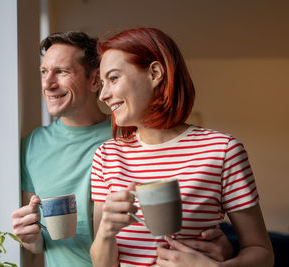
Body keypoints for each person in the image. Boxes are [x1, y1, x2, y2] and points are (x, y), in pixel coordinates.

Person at [12, 31, 234, 267]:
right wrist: (30, 238)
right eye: (44, 72)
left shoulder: (132, 131)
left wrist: (227, 250)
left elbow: (195, 211)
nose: (47, 84)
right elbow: (40, 237)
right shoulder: (33, 145)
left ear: (94, 80)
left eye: (62, 72)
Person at [90, 27, 274, 267]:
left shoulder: (223, 150)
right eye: (102, 83)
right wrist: (105, 232)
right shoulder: (107, 156)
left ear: (155, 73)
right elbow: (101, 263)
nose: (103, 94)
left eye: (113, 78)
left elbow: (262, 252)